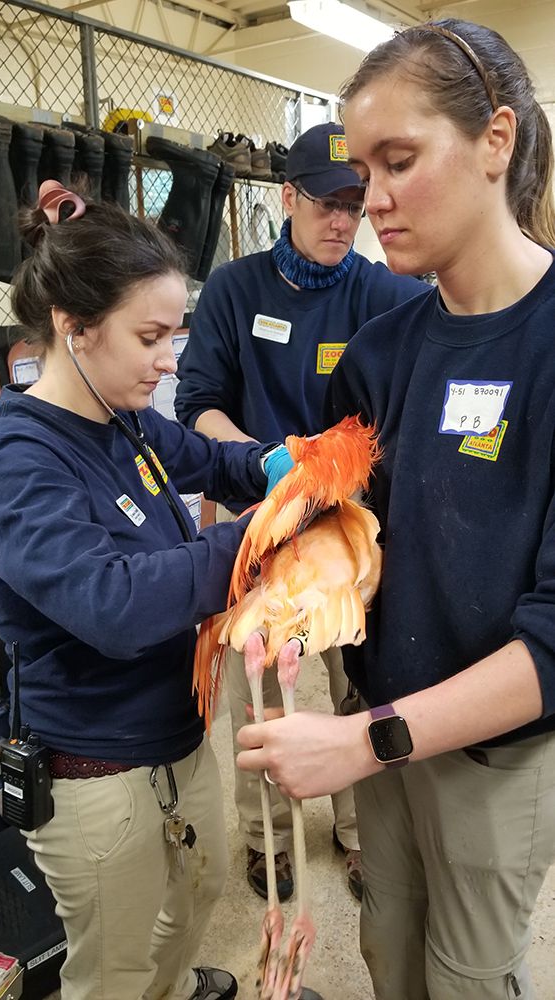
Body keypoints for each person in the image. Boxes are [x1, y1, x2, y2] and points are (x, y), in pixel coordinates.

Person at [237, 18, 555, 1000]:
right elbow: (351, 521)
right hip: (375, 713)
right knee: (388, 951)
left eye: (397, 161)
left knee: (464, 978)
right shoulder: (381, 349)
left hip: (487, 752)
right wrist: (290, 580)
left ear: (495, 140)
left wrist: (360, 740)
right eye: (359, 171)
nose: (368, 202)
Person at [0, 182, 298, 1000]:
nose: (170, 361)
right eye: (152, 337)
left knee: (194, 897)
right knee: (113, 964)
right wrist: (252, 540)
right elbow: (112, 604)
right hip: (98, 769)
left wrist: (274, 465)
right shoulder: (21, 461)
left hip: (179, 733)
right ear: (74, 326)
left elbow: (203, 457)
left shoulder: (122, 417)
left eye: (177, 334)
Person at [175, 121, 426, 904]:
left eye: (354, 204)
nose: (342, 221)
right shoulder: (234, 290)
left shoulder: (386, 293)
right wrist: (266, 466)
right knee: (261, 695)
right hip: (262, 528)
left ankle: (358, 834)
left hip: (348, 535)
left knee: (362, 681)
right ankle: (270, 842)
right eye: (325, 203)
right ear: (286, 196)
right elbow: (197, 405)